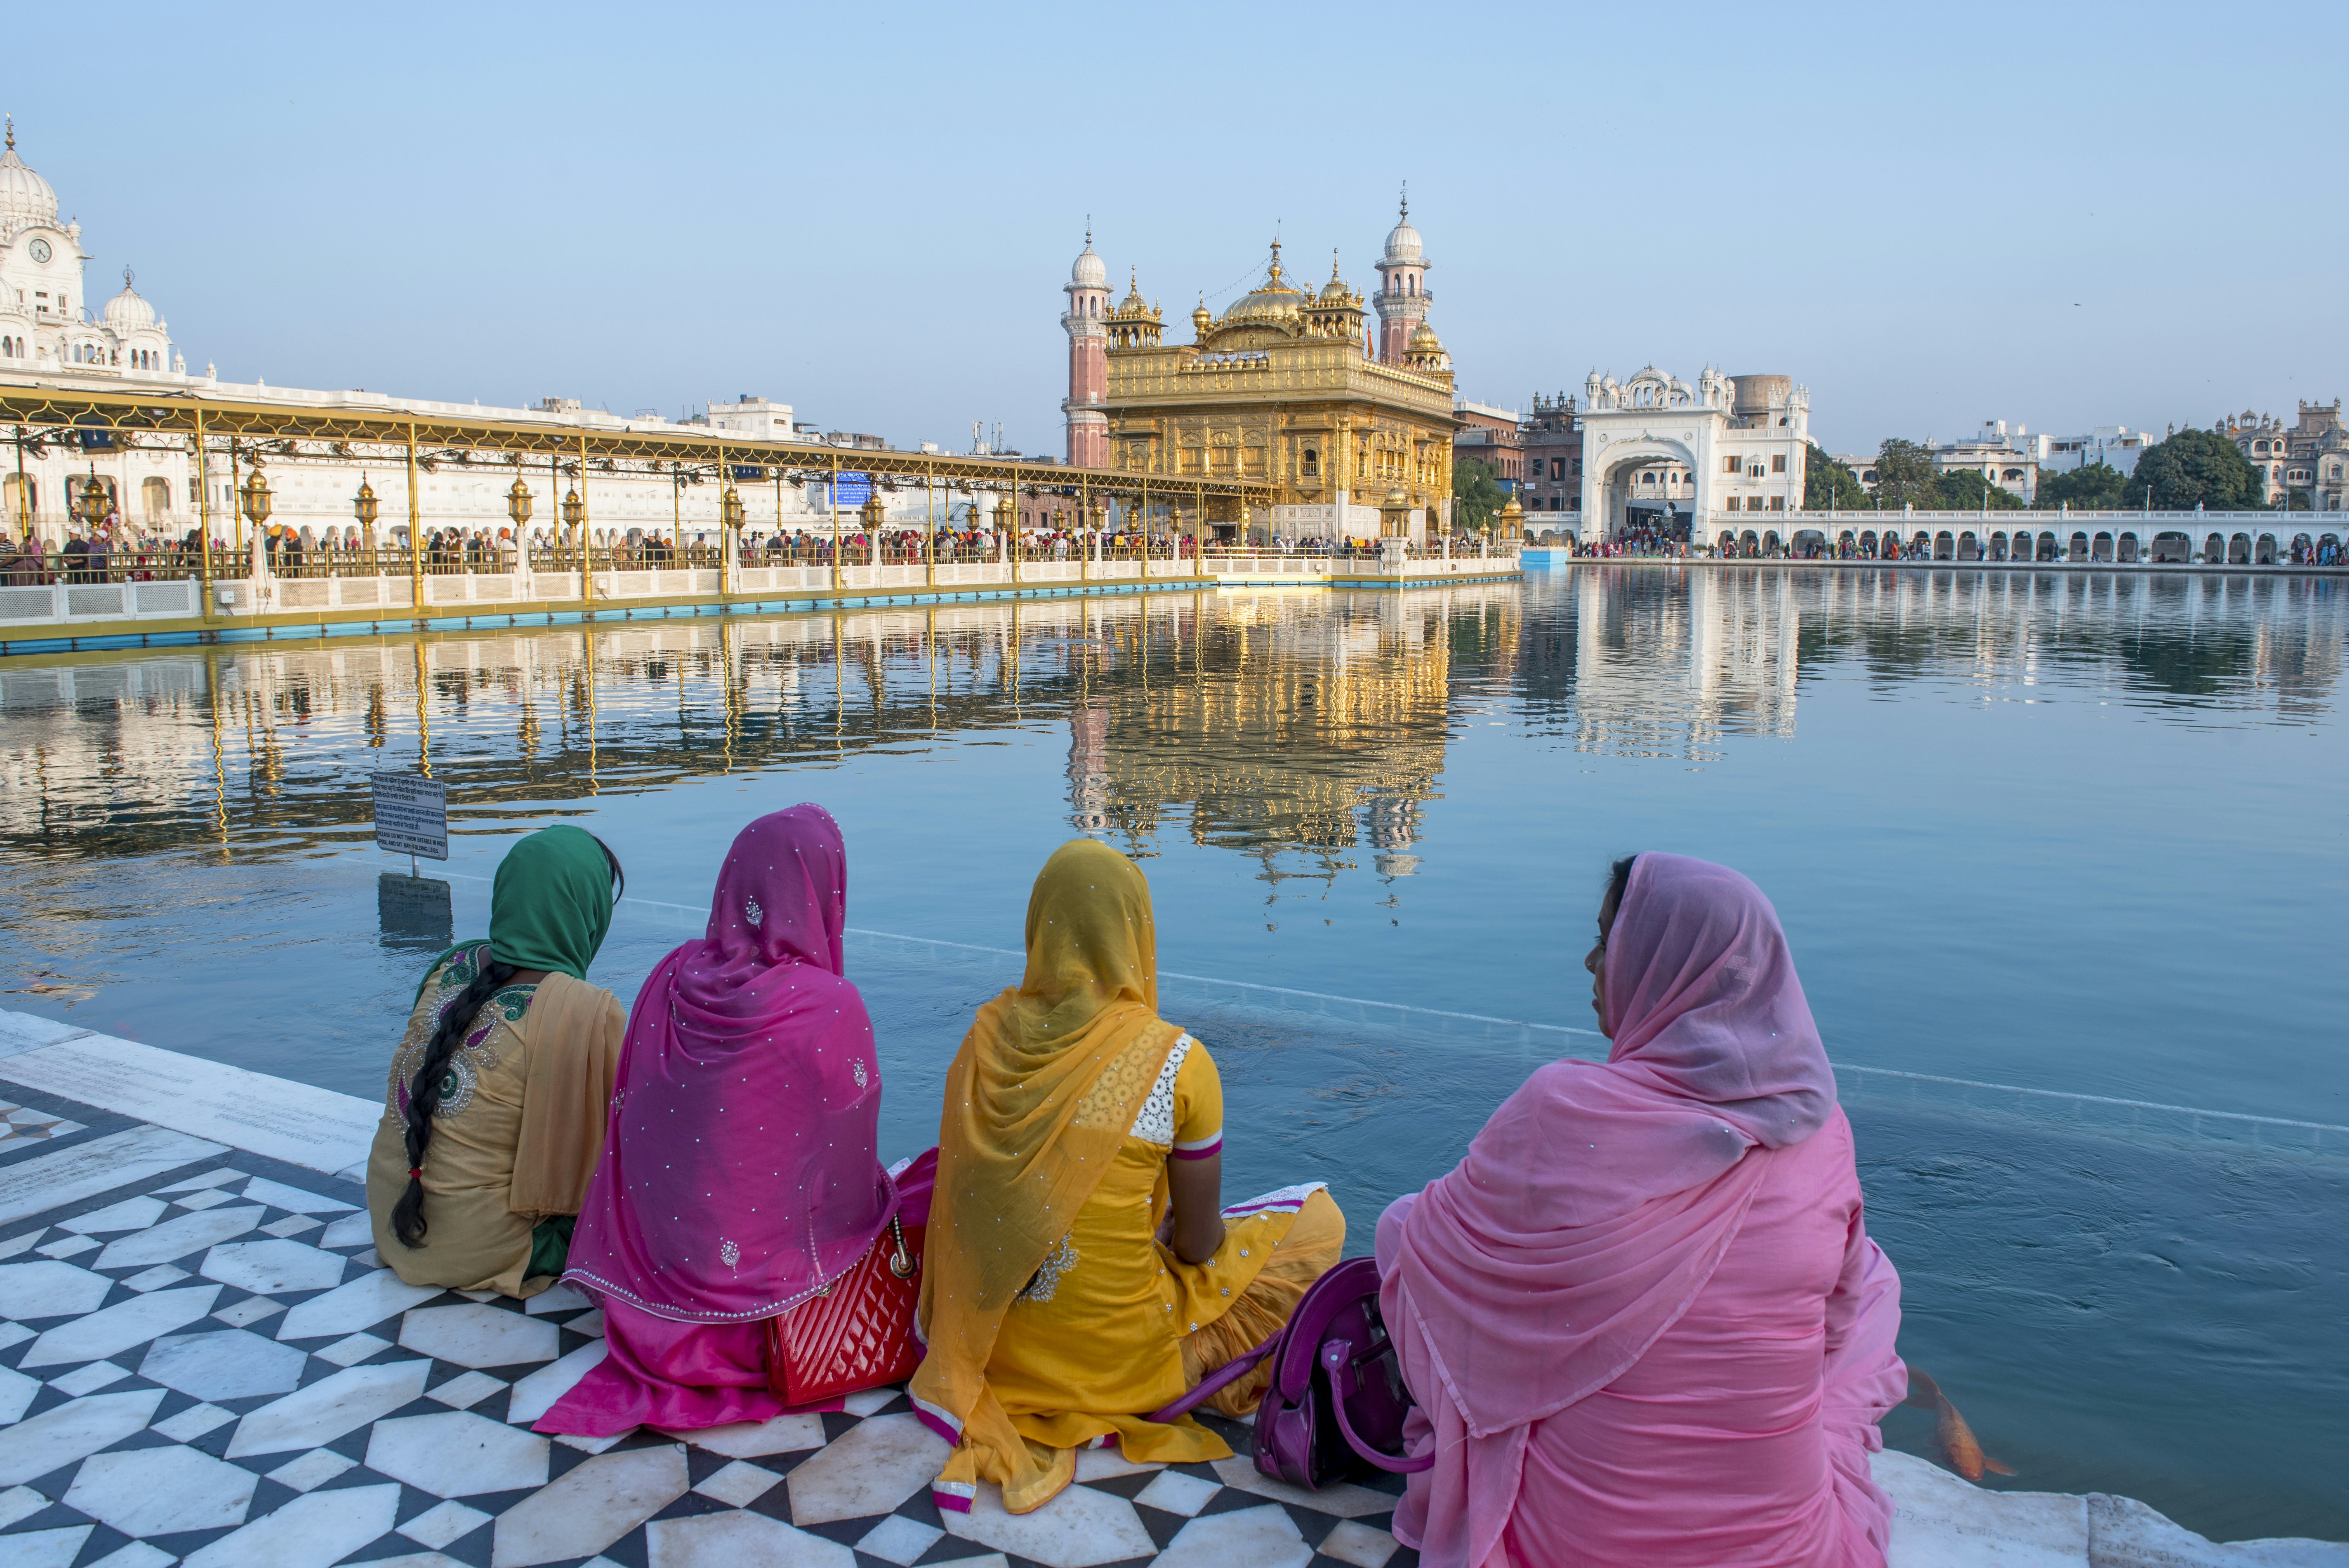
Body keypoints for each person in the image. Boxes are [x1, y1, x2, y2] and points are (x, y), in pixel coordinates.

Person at [1378, 852, 1906, 1567]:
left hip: (1573, 1542)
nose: (1593, 962)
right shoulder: (1822, 1131)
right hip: (1782, 1550)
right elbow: (1833, 1334)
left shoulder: (1563, 1111)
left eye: (1611, 940)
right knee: (1872, 1278)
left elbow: (1435, 1256)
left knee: (1408, 1231)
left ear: (1668, 965)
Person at [911, 838, 1345, 1516]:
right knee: (1319, 1218)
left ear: (1041, 926)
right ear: (1136, 933)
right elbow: (1199, 1247)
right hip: (1120, 1367)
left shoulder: (984, 1038)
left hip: (985, 1352)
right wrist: (1168, 1230)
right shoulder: (1177, 1059)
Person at [540, 805, 899, 1434]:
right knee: (908, 1190)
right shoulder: (828, 1006)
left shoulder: (672, 973)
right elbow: (846, 1184)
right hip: (766, 1327)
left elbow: (637, 1123)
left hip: (645, 1305)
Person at [366, 825, 629, 1298]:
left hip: (390, 1214)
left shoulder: (452, 965)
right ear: (587, 912)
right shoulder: (585, 1009)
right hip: (480, 1245)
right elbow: (619, 1150)